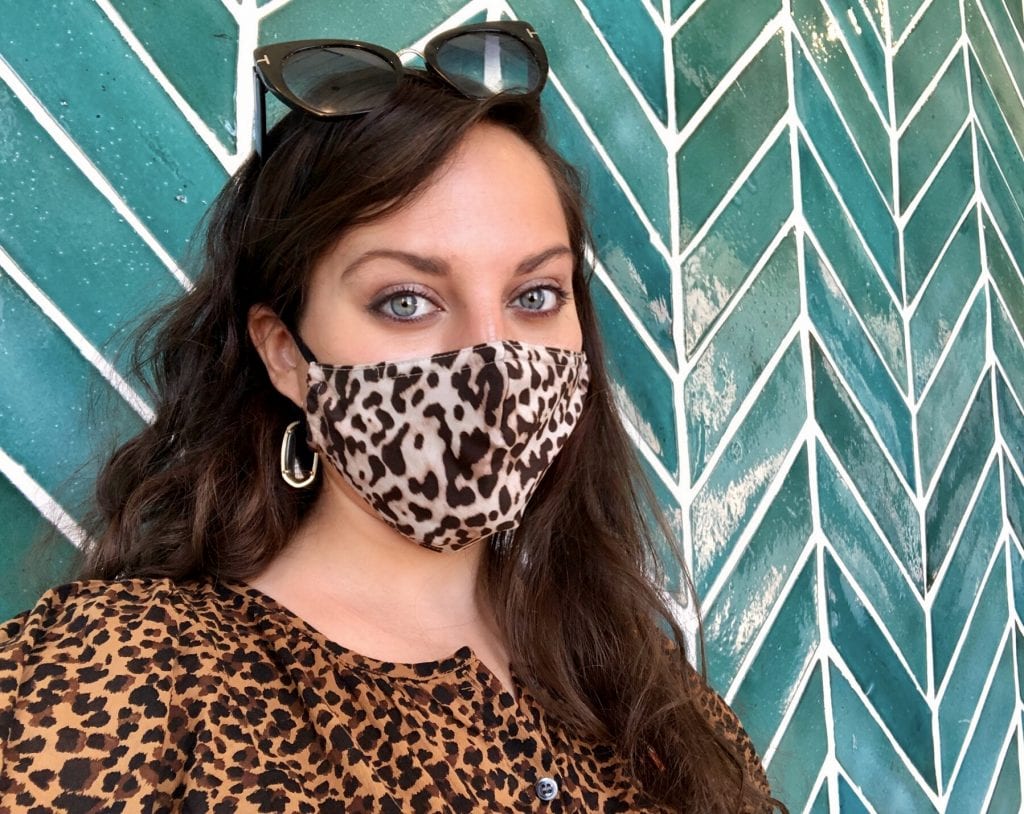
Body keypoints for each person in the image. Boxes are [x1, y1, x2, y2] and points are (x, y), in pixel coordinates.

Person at [0, 21, 784, 814]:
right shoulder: (128, 671)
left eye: (535, 295)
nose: (491, 361)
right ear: (285, 355)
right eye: (406, 301)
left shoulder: (648, 694)